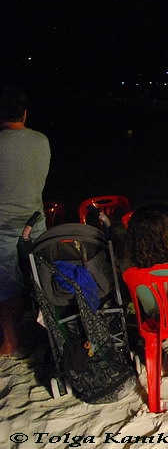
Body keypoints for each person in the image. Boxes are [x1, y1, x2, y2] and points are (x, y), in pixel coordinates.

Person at [0, 86, 50, 356]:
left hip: (4, 224)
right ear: (25, 114)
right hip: (35, 220)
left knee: (6, 284)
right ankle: (48, 330)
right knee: (41, 277)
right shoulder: (41, 141)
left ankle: (11, 341)